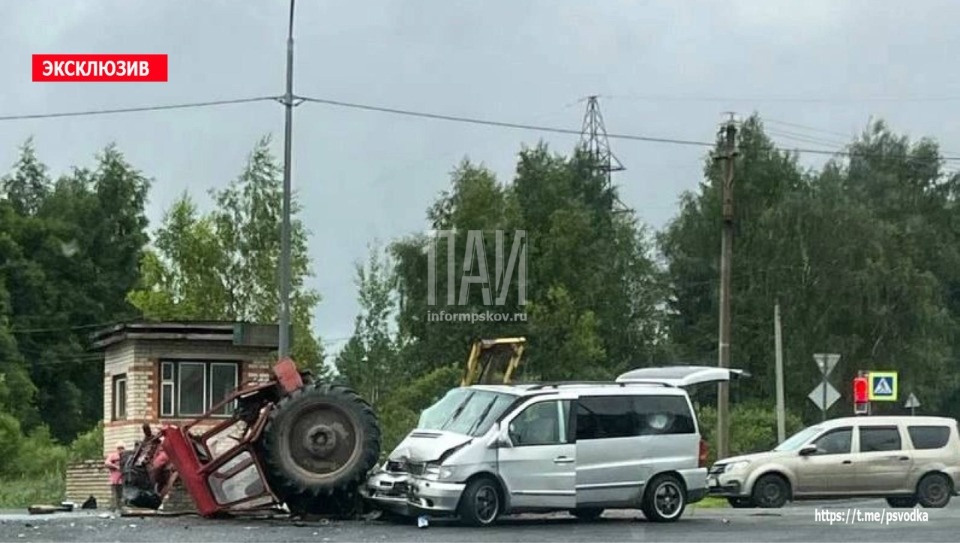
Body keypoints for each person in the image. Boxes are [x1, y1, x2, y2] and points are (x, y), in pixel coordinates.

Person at [104, 441, 125, 511]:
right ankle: (114, 508)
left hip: (123, 479)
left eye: (122, 448)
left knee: (122, 495)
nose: (121, 450)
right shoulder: (113, 456)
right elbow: (107, 463)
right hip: (115, 479)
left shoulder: (125, 456)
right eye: (119, 448)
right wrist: (115, 466)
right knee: (115, 494)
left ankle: (121, 508)